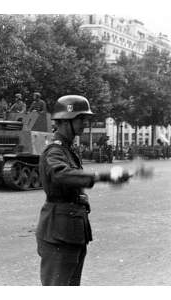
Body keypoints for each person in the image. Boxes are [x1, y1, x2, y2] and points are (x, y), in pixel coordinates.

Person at [36, 95, 131, 286]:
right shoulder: (54, 151)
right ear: (65, 120)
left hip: (71, 232)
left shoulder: (67, 150)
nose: (84, 124)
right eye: (80, 119)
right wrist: (101, 176)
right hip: (59, 233)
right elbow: (61, 175)